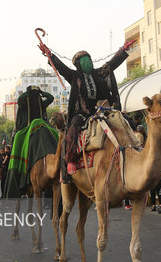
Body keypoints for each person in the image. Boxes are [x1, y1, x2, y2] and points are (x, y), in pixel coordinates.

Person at [38, 38, 134, 178]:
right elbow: (61, 67)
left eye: (88, 59)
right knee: (72, 130)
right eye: (84, 60)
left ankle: (135, 147)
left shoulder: (98, 73)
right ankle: (70, 160)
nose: (87, 62)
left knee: (125, 119)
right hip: (82, 114)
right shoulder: (74, 76)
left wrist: (123, 49)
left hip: (101, 111)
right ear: (78, 64)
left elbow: (111, 65)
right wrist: (49, 55)